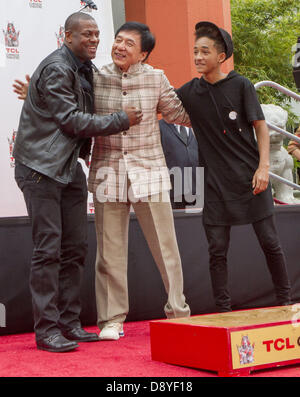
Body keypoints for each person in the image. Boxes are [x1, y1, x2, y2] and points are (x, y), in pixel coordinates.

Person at [13, 12, 142, 352]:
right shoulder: (58, 67)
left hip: (67, 168)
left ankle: (69, 323)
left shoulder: (84, 68)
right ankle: (47, 330)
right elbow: (71, 120)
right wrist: (120, 120)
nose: (94, 40)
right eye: (86, 34)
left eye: (98, 34)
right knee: (48, 249)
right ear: (67, 36)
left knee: (75, 248)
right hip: (41, 168)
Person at [175, 21, 291, 312]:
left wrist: (263, 167)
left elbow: (261, 127)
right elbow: (162, 105)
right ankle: (223, 312)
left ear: (221, 56)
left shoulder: (241, 85)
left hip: (251, 179)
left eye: (205, 52)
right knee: (217, 251)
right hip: (214, 184)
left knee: (270, 244)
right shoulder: (189, 92)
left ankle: (286, 304)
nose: (198, 57)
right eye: (195, 51)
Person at [89, 22, 191, 340]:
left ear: (143, 53)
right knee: (110, 251)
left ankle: (178, 313)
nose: (120, 46)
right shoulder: (96, 76)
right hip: (108, 171)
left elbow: (179, 113)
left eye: (129, 43)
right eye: (117, 40)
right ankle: (112, 320)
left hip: (150, 172)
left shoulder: (156, 77)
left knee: (166, 247)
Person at [159, 119, 199, 209]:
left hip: (197, 190)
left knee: (197, 222)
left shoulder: (196, 124)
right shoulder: (159, 127)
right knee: (178, 222)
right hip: (174, 192)